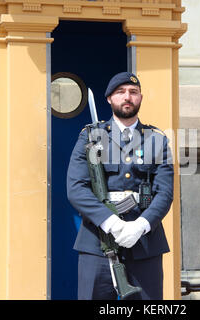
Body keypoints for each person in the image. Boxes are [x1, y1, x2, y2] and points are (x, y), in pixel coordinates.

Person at [66, 72, 174, 300]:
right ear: (109, 99)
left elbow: (164, 192)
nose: (127, 97)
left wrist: (141, 225)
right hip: (98, 241)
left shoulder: (157, 140)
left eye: (133, 92)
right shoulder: (90, 137)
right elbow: (76, 188)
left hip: (145, 243)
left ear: (141, 98)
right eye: (120, 92)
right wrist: (112, 223)